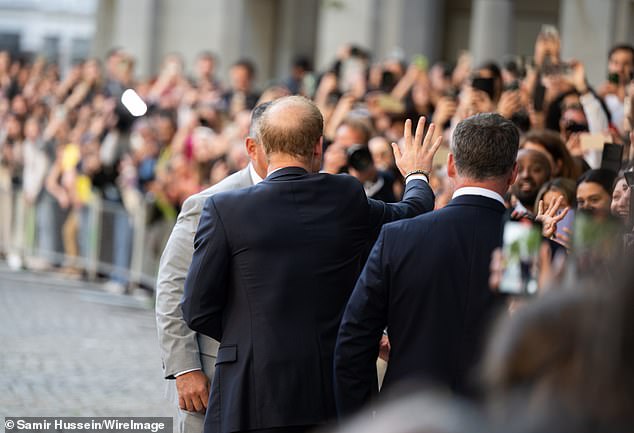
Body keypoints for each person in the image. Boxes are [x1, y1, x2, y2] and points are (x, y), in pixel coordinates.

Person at [181, 95, 440, 433]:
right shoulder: (345, 195)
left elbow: (197, 309)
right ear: (318, 146)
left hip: (252, 390)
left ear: (260, 147)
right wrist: (417, 173)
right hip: (331, 391)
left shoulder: (224, 208)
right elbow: (413, 215)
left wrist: (250, 336)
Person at [333, 113, 519, 417]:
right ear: (513, 173)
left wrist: (361, 422)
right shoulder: (523, 243)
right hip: (495, 416)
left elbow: (353, 342)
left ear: (450, 167)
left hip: (407, 415)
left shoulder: (400, 236)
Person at [156, 102, 270, 433]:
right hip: (211, 373)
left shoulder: (322, 197)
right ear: (253, 147)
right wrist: (185, 368)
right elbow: (172, 286)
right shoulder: (209, 202)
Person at [511, 148, 552, 214]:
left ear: (549, 175)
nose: (526, 175)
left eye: (535, 169)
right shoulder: (501, 215)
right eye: (518, 169)